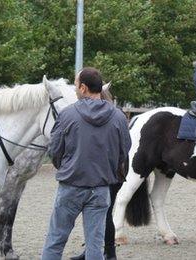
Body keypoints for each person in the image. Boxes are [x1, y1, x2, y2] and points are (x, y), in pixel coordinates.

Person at [42, 67, 131, 260]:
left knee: (55, 241)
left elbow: (54, 151)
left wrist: (67, 167)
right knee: (95, 246)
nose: (75, 88)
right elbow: (124, 152)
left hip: (71, 185)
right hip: (101, 188)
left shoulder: (67, 114)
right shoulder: (118, 117)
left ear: (83, 88)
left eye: (75, 84)